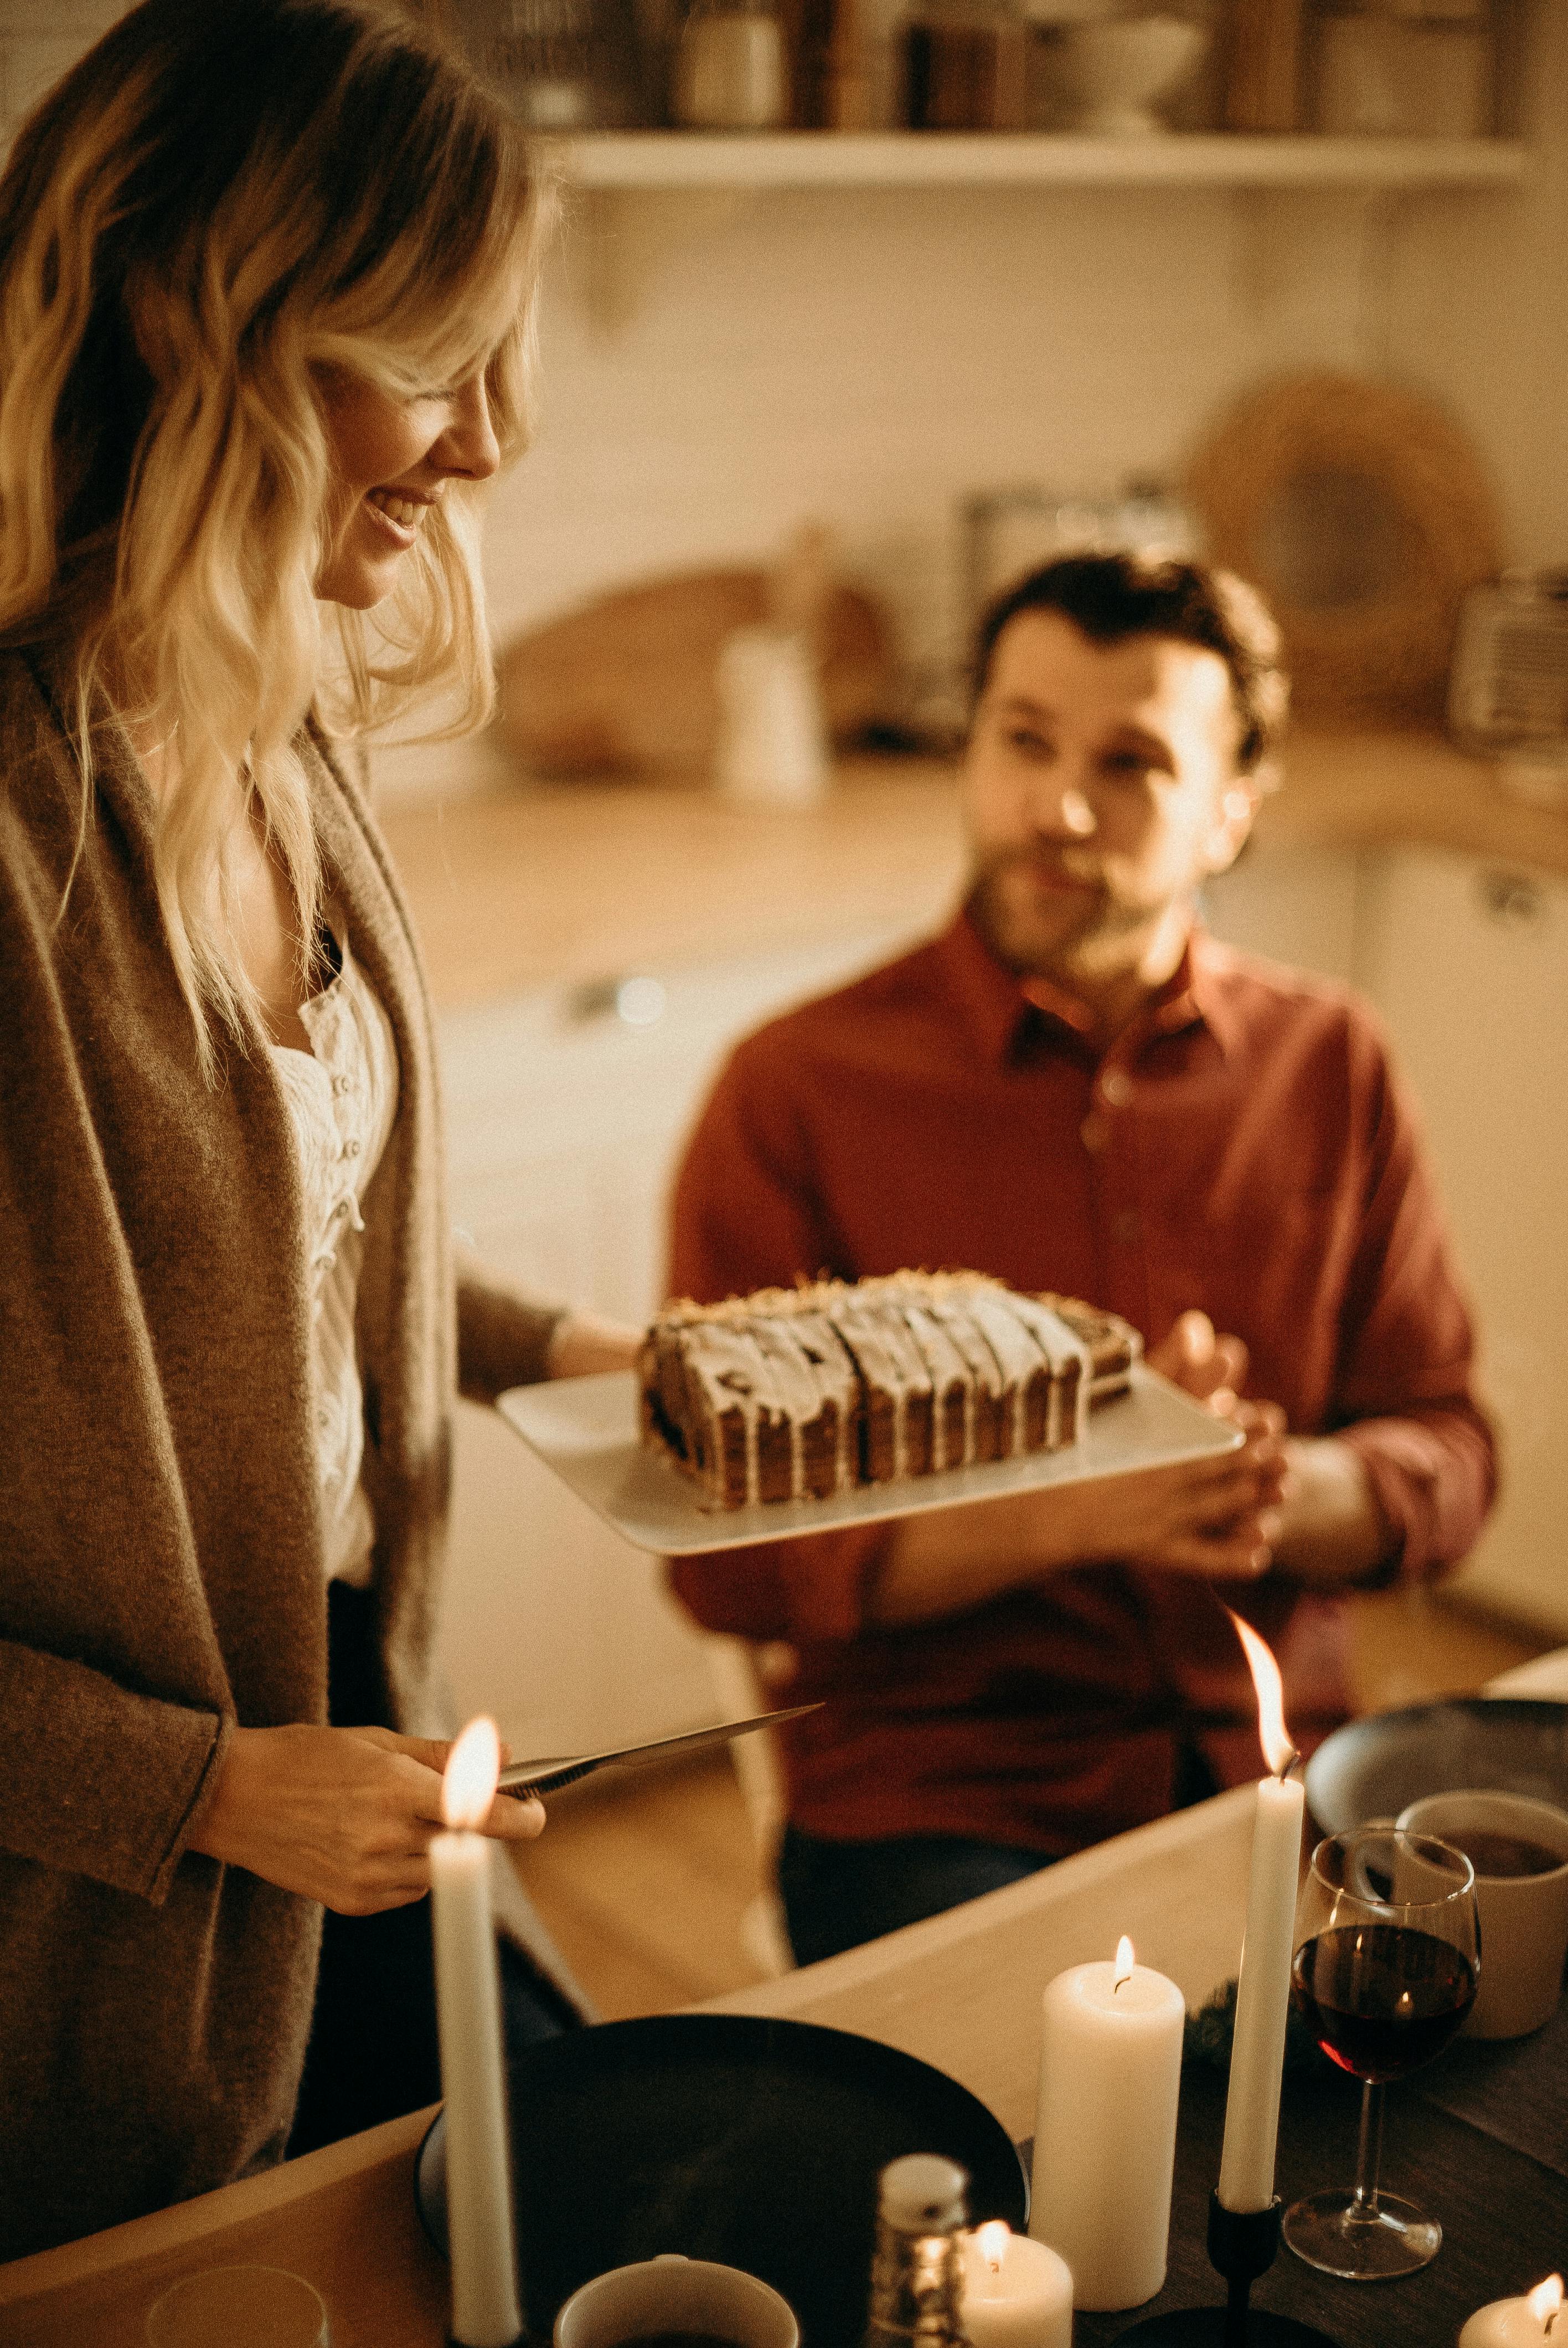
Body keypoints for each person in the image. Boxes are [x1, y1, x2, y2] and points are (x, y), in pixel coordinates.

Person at [0, 0, 637, 2262]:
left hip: (344, 1741)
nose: (482, 447)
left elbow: (279, 1246)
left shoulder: (276, 744)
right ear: (213, 340)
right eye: (433, 362)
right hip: (82, 1940)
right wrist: (200, 1790)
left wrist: (590, 1356)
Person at [666, 552, 1497, 1968]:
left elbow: (1454, 1451)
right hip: (940, 1799)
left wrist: (1258, 1484)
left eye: (1132, 764)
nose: (1057, 806)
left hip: (1284, 1774)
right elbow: (724, 1555)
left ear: (1233, 811)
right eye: (1024, 739)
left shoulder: (1330, 1058)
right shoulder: (796, 1088)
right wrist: (1086, 1505)